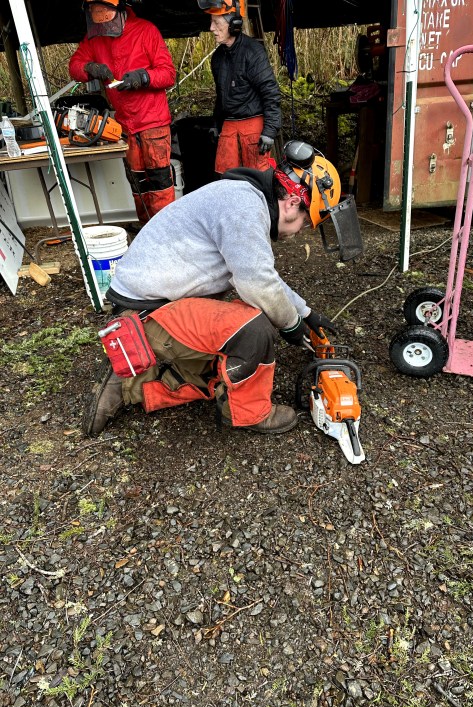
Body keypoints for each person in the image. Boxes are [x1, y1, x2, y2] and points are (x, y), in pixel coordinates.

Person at [83, 140, 361, 438]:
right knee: (256, 329)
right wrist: (291, 326)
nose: (297, 233)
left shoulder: (243, 200)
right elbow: (258, 283)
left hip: (156, 307)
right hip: (145, 317)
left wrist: (305, 312)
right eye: (306, 223)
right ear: (293, 203)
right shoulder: (243, 207)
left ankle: (136, 382)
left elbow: (261, 274)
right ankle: (248, 413)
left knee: (224, 367)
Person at [69, 0, 176, 224]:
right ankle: (147, 230)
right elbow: (75, 65)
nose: (105, 27)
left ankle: (168, 233)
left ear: (119, 11)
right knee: (137, 183)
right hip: (125, 125)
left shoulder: (146, 31)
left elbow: (167, 73)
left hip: (152, 122)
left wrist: (143, 77)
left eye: (106, 19)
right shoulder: (95, 37)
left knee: (160, 183)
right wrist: (90, 68)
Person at [198, 0, 281, 174]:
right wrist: (216, 124)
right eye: (211, 22)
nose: (211, 28)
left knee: (257, 179)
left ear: (234, 25)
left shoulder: (253, 52)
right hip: (229, 127)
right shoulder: (218, 58)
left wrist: (269, 131)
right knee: (227, 179)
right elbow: (222, 96)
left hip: (253, 128)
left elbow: (270, 93)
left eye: (216, 22)